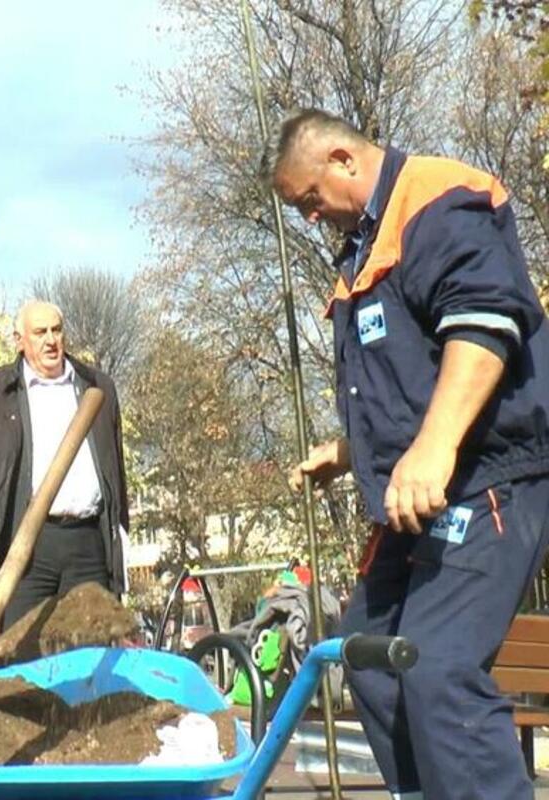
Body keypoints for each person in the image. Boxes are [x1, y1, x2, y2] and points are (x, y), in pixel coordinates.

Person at [273, 108, 549, 800]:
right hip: (419, 494)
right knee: (370, 656)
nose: (310, 217)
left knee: (437, 666)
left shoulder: (436, 200)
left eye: (310, 199)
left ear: (342, 160)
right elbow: (411, 382)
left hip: (489, 477)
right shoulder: (363, 250)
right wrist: (350, 449)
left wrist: (434, 446)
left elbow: (484, 325)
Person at [0, 299, 130, 629]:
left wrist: (121, 539)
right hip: (24, 548)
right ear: (19, 340)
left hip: (88, 543)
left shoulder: (97, 388)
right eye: (40, 332)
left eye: (56, 330)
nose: (51, 340)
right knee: (22, 649)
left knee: (90, 649)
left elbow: (116, 471)